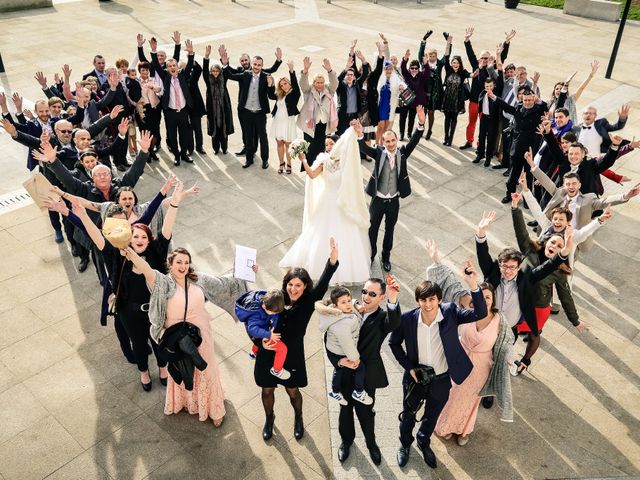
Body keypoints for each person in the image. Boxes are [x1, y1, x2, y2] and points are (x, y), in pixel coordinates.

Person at [71, 181, 183, 390]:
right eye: (135, 236)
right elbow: (96, 237)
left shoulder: (156, 254)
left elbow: (167, 229)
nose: (139, 240)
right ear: (129, 239)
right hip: (129, 313)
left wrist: (174, 204)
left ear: (149, 241)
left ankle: (162, 368)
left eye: (144, 237)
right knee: (139, 345)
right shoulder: (118, 255)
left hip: (157, 310)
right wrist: (83, 215)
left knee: (160, 342)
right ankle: (144, 372)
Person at [127, 246, 249, 427]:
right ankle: (186, 402)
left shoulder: (199, 279)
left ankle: (215, 409)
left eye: (186, 262)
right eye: (178, 262)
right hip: (176, 337)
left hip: (201, 333)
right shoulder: (162, 283)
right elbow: (145, 268)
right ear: (170, 264)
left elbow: (225, 284)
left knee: (206, 368)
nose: (183, 266)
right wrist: (131, 254)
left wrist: (246, 272)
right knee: (181, 368)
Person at [389, 263, 487, 469]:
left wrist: (473, 285)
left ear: (439, 300)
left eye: (432, 299)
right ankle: (405, 445)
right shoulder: (407, 319)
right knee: (408, 415)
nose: (428, 304)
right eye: (423, 299)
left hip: (441, 380)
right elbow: (393, 343)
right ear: (417, 301)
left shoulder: (450, 312)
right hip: (415, 380)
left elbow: (480, 313)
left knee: (431, 417)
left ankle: (424, 443)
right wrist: (408, 367)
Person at [258, 238, 339, 442]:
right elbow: (254, 321)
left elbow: (323, 284)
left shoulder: (307, 303)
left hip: (292, 355)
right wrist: (261, 342)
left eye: (298, 285)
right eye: (290, 284)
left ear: (305, 287)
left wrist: (332, 261)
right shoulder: (275, 298)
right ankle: (269, 418)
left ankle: (299, 417)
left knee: (293, 391)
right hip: (268, 352)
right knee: (267, 390)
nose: (293, 289)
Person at [475, 211, 572, 374]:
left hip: (510, 330)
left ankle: (490, 392)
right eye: (504, 266)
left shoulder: (527, 278)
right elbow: (482, 254)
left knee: (499, 360)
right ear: (499, 265)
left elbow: (547, 267)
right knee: (481, 357)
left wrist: (565, 250)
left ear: (519, 267)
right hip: (486, 325)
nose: (507, 271)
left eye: (512, 267)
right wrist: (481, 232)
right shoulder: (492, 273)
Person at [279, 129, 370, 284]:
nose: (328, 146)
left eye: (331, 144)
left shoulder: (346, 161)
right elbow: (312, 175)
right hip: (326, 201)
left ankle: (343, 270)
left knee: (345, 235)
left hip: (342, 203)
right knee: (319, 233)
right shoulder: (323, 160)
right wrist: (303, 159)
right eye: (327, 144)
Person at [331, 277, 401, 465]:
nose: (366, 297)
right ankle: (346, 442)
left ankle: (371, 444)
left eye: (372, 294)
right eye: (364, 292)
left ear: (381, 297)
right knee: (345, 410)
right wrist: (339, 361)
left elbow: (393, 323)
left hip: (367, 375)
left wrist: (393, 300)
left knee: (366, 412)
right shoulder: (346, 310)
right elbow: (330, 341)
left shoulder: (382, 319)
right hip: (345, 373)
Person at [435, 281, 513, 445]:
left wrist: (509, 359)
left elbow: (506, 344)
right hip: (458, 359)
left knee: (470, 399)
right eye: (481, 297)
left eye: (488, 297)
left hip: (481, 366)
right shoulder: (466, 313)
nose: (484, 300)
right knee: (452, 394)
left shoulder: (500, 321)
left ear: (493, 299)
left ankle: (464, 430)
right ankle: (446, 426)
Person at [353, 105, 426, 272]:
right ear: (383, 142)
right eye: (388, 141)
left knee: (390, 230)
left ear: (397, 140)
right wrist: (360, 134)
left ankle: (386, 257)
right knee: (372, 230)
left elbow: (414, 140)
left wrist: (421, 124)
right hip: (377, 200)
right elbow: (363, 148)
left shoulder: (402, 153)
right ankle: (371, 255)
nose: (391, 144)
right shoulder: (378, 154)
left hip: (393, 200)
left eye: (393, 140)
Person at [221, 45, 276, 169]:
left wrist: (271, 85)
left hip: (260, 113)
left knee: (263, 137)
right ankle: (249, 159)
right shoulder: (246, 74)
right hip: (246, 112)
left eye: (259, 65)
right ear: (253, 64)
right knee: (248, 136)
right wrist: (225, 65)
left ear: (262, 66)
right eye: (255, 64)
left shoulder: (266, 76)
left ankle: (265, 160)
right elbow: (230, 76)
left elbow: (272, 96)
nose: (256, 67)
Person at [317, 286, 372, 406]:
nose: (348, 304)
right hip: (340, 350)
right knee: (360, 367)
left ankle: (335, 391)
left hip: (334, 347)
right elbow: (347, 344)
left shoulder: (338, 309)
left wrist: (356, 304)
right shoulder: (342, 323)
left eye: (349, 300)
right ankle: (358, 392)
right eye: (343, 302)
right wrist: (355, 358)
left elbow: (350, 302)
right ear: (335, 305)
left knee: (339, 370)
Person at [150, 37, 195, 166]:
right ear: (167, 68)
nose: (172, 67)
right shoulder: (165, 76)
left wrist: (191, 54)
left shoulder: (183, 75)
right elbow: (157, 65)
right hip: (170, 111)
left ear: (177, 66)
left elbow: (190, 65)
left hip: (183, 111)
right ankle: (176, 156)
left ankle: (184, 154)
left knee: (184, 134)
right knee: (172, 135)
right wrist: (153, 51)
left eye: (174, 65)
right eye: (169, 66)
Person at [235, 289, 289, 379]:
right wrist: (268, 334)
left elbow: (275, 315)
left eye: (276, 313)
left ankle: (254, 353)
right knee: (282, 349)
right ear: (264, 306)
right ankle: (276, 370)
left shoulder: (270, 301)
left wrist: (272, 324)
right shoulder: (255, 313)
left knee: (261, 337)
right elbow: (252, 330)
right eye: (271, 312)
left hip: (264, 328)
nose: (274, 314)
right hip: (261, 332)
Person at [296, 56, 339, 167]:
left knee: (321, 147)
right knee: (309, 148)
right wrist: (305, 71)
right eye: (317, 82)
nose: (320, 84)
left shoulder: (328, 90)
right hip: (310, 125)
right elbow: (303, 84)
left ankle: (320, 167)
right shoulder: (308, 90)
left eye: (321, 82)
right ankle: (309, 169)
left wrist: (330, 71)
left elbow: (335, 83)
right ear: (314, 83)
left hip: (323, 125)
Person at [267, 61, 301, 174]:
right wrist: (270, 84)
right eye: (281, 85)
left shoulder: (294, 93)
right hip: (278, 122)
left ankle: (289, 164)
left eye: (285, 83)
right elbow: (271, 95)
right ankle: (281, 163)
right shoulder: (280, 94)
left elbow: (296, 85)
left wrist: (291, 71)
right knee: (279, 143)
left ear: (289, 83)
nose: (283, 86)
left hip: (288, 122)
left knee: (288, 145)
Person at [417, 30, 450, 140]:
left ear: (436, 56)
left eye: (433, 55)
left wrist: (448, 42)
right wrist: (424, 39)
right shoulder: (424, 62)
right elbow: (420, 53)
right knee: (423, 112)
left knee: (431, 112)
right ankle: (421, 129)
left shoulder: (439, 64)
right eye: (430, 55)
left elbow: (447, 55)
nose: (432, 57)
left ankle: (430, 130)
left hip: (435, 92)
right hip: (424, 91)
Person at [202, 45, 234, 155]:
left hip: (223, 110)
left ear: (219, 72)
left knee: (223, 130)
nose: (215, 73)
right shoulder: (208, 81)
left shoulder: (223, 80)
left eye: (217, 71)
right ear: (211, 72)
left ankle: (224, 148)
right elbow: (204, 71)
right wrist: (206, 57)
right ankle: (216, 148)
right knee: (214, 131)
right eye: (213, 71)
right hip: (213, 111)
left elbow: (226, 70)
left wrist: (225, 62)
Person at [440, 39, 471, 146]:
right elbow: (446, 56)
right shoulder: (448, 69)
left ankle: (450, 139)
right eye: (454, 62)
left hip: (457, 100)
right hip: (447, 98)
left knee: (454, 119)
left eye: (457, 63)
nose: (455, 64)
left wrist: (479, 68)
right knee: (446, 118)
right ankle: (445, 137)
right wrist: (448, 44)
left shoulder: (463, 73)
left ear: (460, 64)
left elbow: (471, 75)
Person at [336, 50, 370, 135]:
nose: (349, 76)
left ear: (354, 77)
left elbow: (365, 74)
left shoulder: (357, 84)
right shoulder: (340, 86)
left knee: (353, 137)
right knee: (341, 137)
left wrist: (363, 60)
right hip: (342, 116)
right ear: (345, 76)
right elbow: (337, 80)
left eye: (351, 75)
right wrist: (346, 68)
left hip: (354, 117)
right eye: (347, 74)